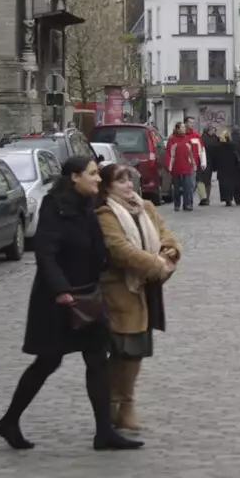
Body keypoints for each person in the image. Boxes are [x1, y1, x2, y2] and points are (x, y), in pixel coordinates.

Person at [0, 156, 142, 451]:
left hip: (88, 295)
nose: (98, 179)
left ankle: (104, 432)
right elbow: (45, 254)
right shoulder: (54, 207)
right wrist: (61, 290)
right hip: (58, 301)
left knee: (97, 361)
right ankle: (9, 421)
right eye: (92, 174)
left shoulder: (88, 205)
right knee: (47, 362)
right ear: (74, 177)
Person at [94, 163, 179, 432]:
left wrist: (169, 254)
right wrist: (156, 265)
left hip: (146, 290)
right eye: (121, 181)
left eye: (129, 180)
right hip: (120, 291)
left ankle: (123, 405)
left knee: (137, 349)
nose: (128, 186)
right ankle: (116, 405)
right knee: (124, 350)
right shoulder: (105, 213)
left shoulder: (145, 207)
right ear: (107, 186)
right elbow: (120, 250)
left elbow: (167, 236)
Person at [163, 121, 201, 212]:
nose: (184, 129)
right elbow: (168, 153)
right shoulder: (172, 139)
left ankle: (187, 204)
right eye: (182, 127)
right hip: (176, 167)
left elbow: (191, 153)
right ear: (177, 129)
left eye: (184, 127)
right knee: (176, 188)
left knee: (187, 187)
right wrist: (169, 166)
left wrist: (194, 164)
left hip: (187, 167)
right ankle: (177, 204)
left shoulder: (187, 139)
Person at [212, 129, 240, 206]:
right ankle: (231, 197)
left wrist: (214, 167)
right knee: (231, 184)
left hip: (222, 169)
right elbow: (237, 156)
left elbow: (215, 157)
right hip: (232, 168)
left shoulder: (218, 146)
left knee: (223, 185)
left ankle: (226, 199)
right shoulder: (233, 145)